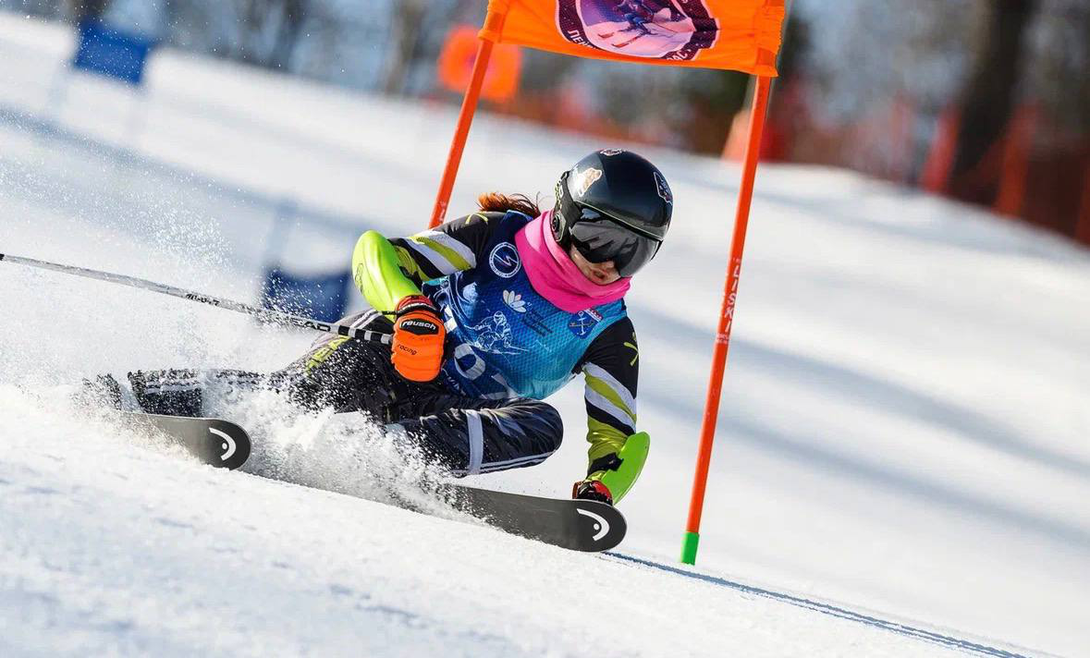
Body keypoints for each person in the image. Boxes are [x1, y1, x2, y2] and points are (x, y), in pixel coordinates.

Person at [87, 149, 672, 506]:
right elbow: (378, 254)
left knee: (545, 425)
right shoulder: (499, 237)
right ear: (567, 217)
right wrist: (410, 308)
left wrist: (602, 485)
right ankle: (131, 393)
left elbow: (616, 437)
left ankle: (388, 458)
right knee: (287, 399)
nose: (610, 263)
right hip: (392, 354)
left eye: (635, 252)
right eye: (601, 238)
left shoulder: (608, 331)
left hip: (448, 414)